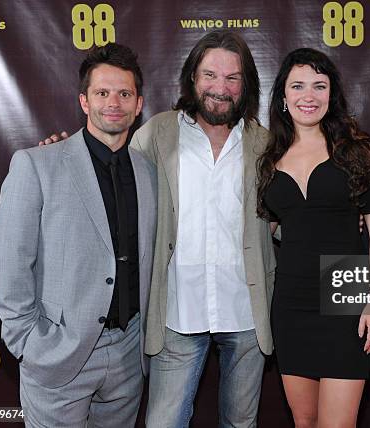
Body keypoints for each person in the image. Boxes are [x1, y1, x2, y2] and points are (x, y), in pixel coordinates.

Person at [0, 43, 157, 427]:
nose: (113, 102)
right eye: (102, 93)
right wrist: (29, 344)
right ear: (84, 101)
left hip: (129, 354)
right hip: (58, 353)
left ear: (138, 104)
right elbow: (9, 262)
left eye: (124, 94)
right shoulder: (36, 165)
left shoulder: (149, 172)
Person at [129, 30, 276, 427]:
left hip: (246, 313)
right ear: (192, 77)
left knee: (240, 423)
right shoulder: (157, 134)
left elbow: (285, 217)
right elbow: (116, 187)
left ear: (246, 85)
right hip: (177, 311)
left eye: (232, 78)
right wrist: (60, 159)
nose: (220, 88)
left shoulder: (264, 144)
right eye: (210, 75)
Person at [256, 48, 370, 428]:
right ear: (283, 96)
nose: (308, 96)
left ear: (331, 95)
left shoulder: (356, 153)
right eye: (297, 86)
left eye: (319, 86)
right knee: (306, 422)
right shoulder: (269, 159)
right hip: (290, 305)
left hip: (346, 300)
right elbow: (261, 231)